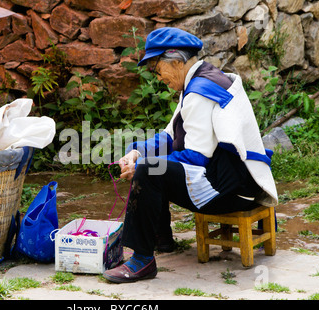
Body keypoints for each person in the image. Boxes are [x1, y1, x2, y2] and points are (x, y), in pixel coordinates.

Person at [102, 27, 278, 283]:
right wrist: (137, 151)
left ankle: (142, 260)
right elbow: (170, 136)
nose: (157, 77)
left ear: (176, 61)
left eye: (157, 68)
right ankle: (160, 239)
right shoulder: (200, 81)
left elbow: (195, 158)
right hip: (240, 182)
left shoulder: (198, 91)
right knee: (151, 163)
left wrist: (145, 163)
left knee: (150, 170)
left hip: (234, 193)